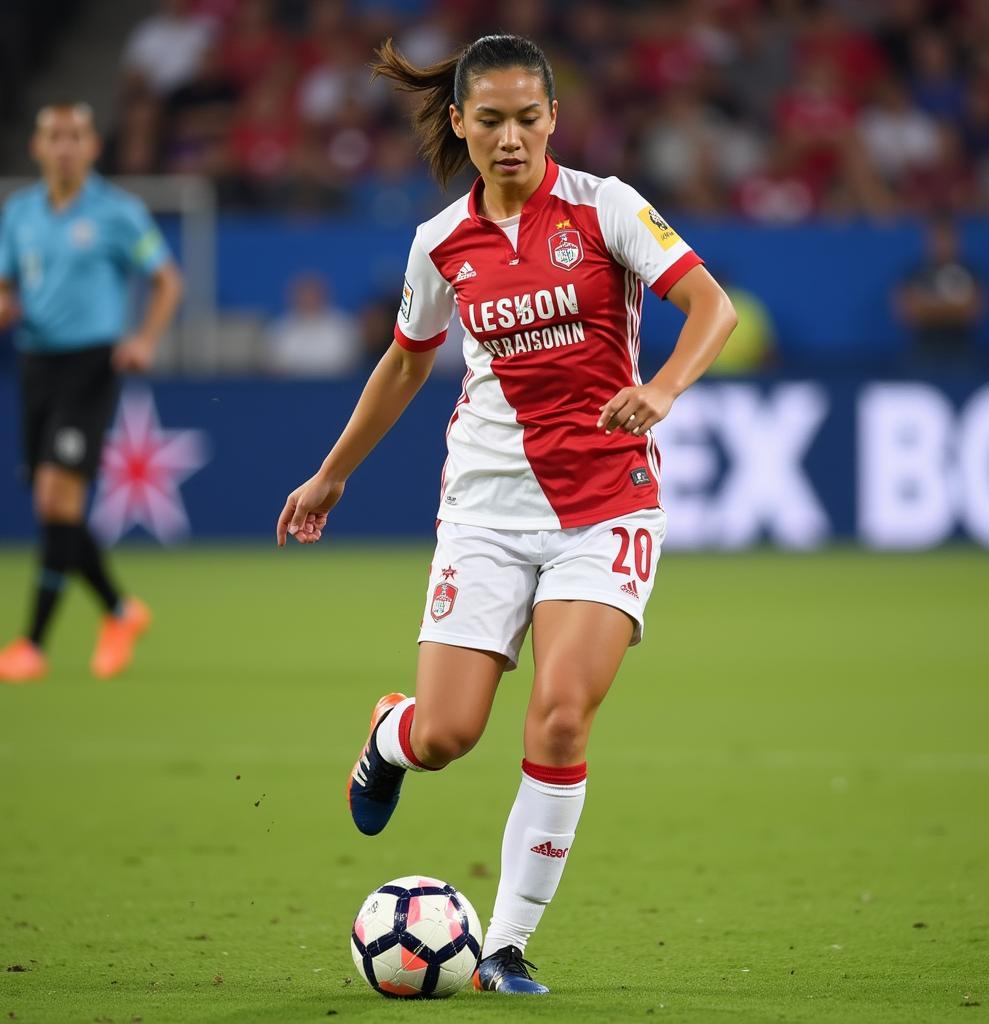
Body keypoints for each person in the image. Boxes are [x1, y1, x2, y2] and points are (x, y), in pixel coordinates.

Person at [276, 35, 736, 995]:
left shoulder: (606, 207)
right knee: (447, 737)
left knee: (562, 718)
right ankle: (388, 735)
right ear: (460, 124)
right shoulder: (441, 242)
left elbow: (712, 309)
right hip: (484, 508)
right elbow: (406, 363)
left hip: (606, 504)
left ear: (554, 119)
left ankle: (506, 947)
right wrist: (331, 476)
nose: (512, 138)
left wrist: (660, 390)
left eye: (529, 118)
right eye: (491, 120)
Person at [0, 103, 182, 683]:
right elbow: (8, 283)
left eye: (75, 136)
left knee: (59, 498)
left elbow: (167, 279)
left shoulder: (117, 212)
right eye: (54, 137)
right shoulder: (19, 213)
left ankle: (32, 643)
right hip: (35, 365)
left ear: (92, 147)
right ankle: (120, 611)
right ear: (37, 147)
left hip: (90, 367)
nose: (64, 147)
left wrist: (145, 338)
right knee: (50, 505)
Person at [895, 217, 985, 367]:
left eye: (947, 238)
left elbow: (975, 311)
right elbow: (907, 312)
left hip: (961, 348)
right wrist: (954, 307)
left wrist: (929, 307)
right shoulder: (916, 273)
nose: (942, 244)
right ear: (929, 241)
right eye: (938, 239)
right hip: (924, 349)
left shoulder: (970, 272)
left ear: (957, 240)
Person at [263, 273, 364, 377]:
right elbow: (273, 366)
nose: (309, 299)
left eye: (313, 294)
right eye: (304, 295)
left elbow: (350, 363)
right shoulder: (280, 329)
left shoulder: (343, 326)